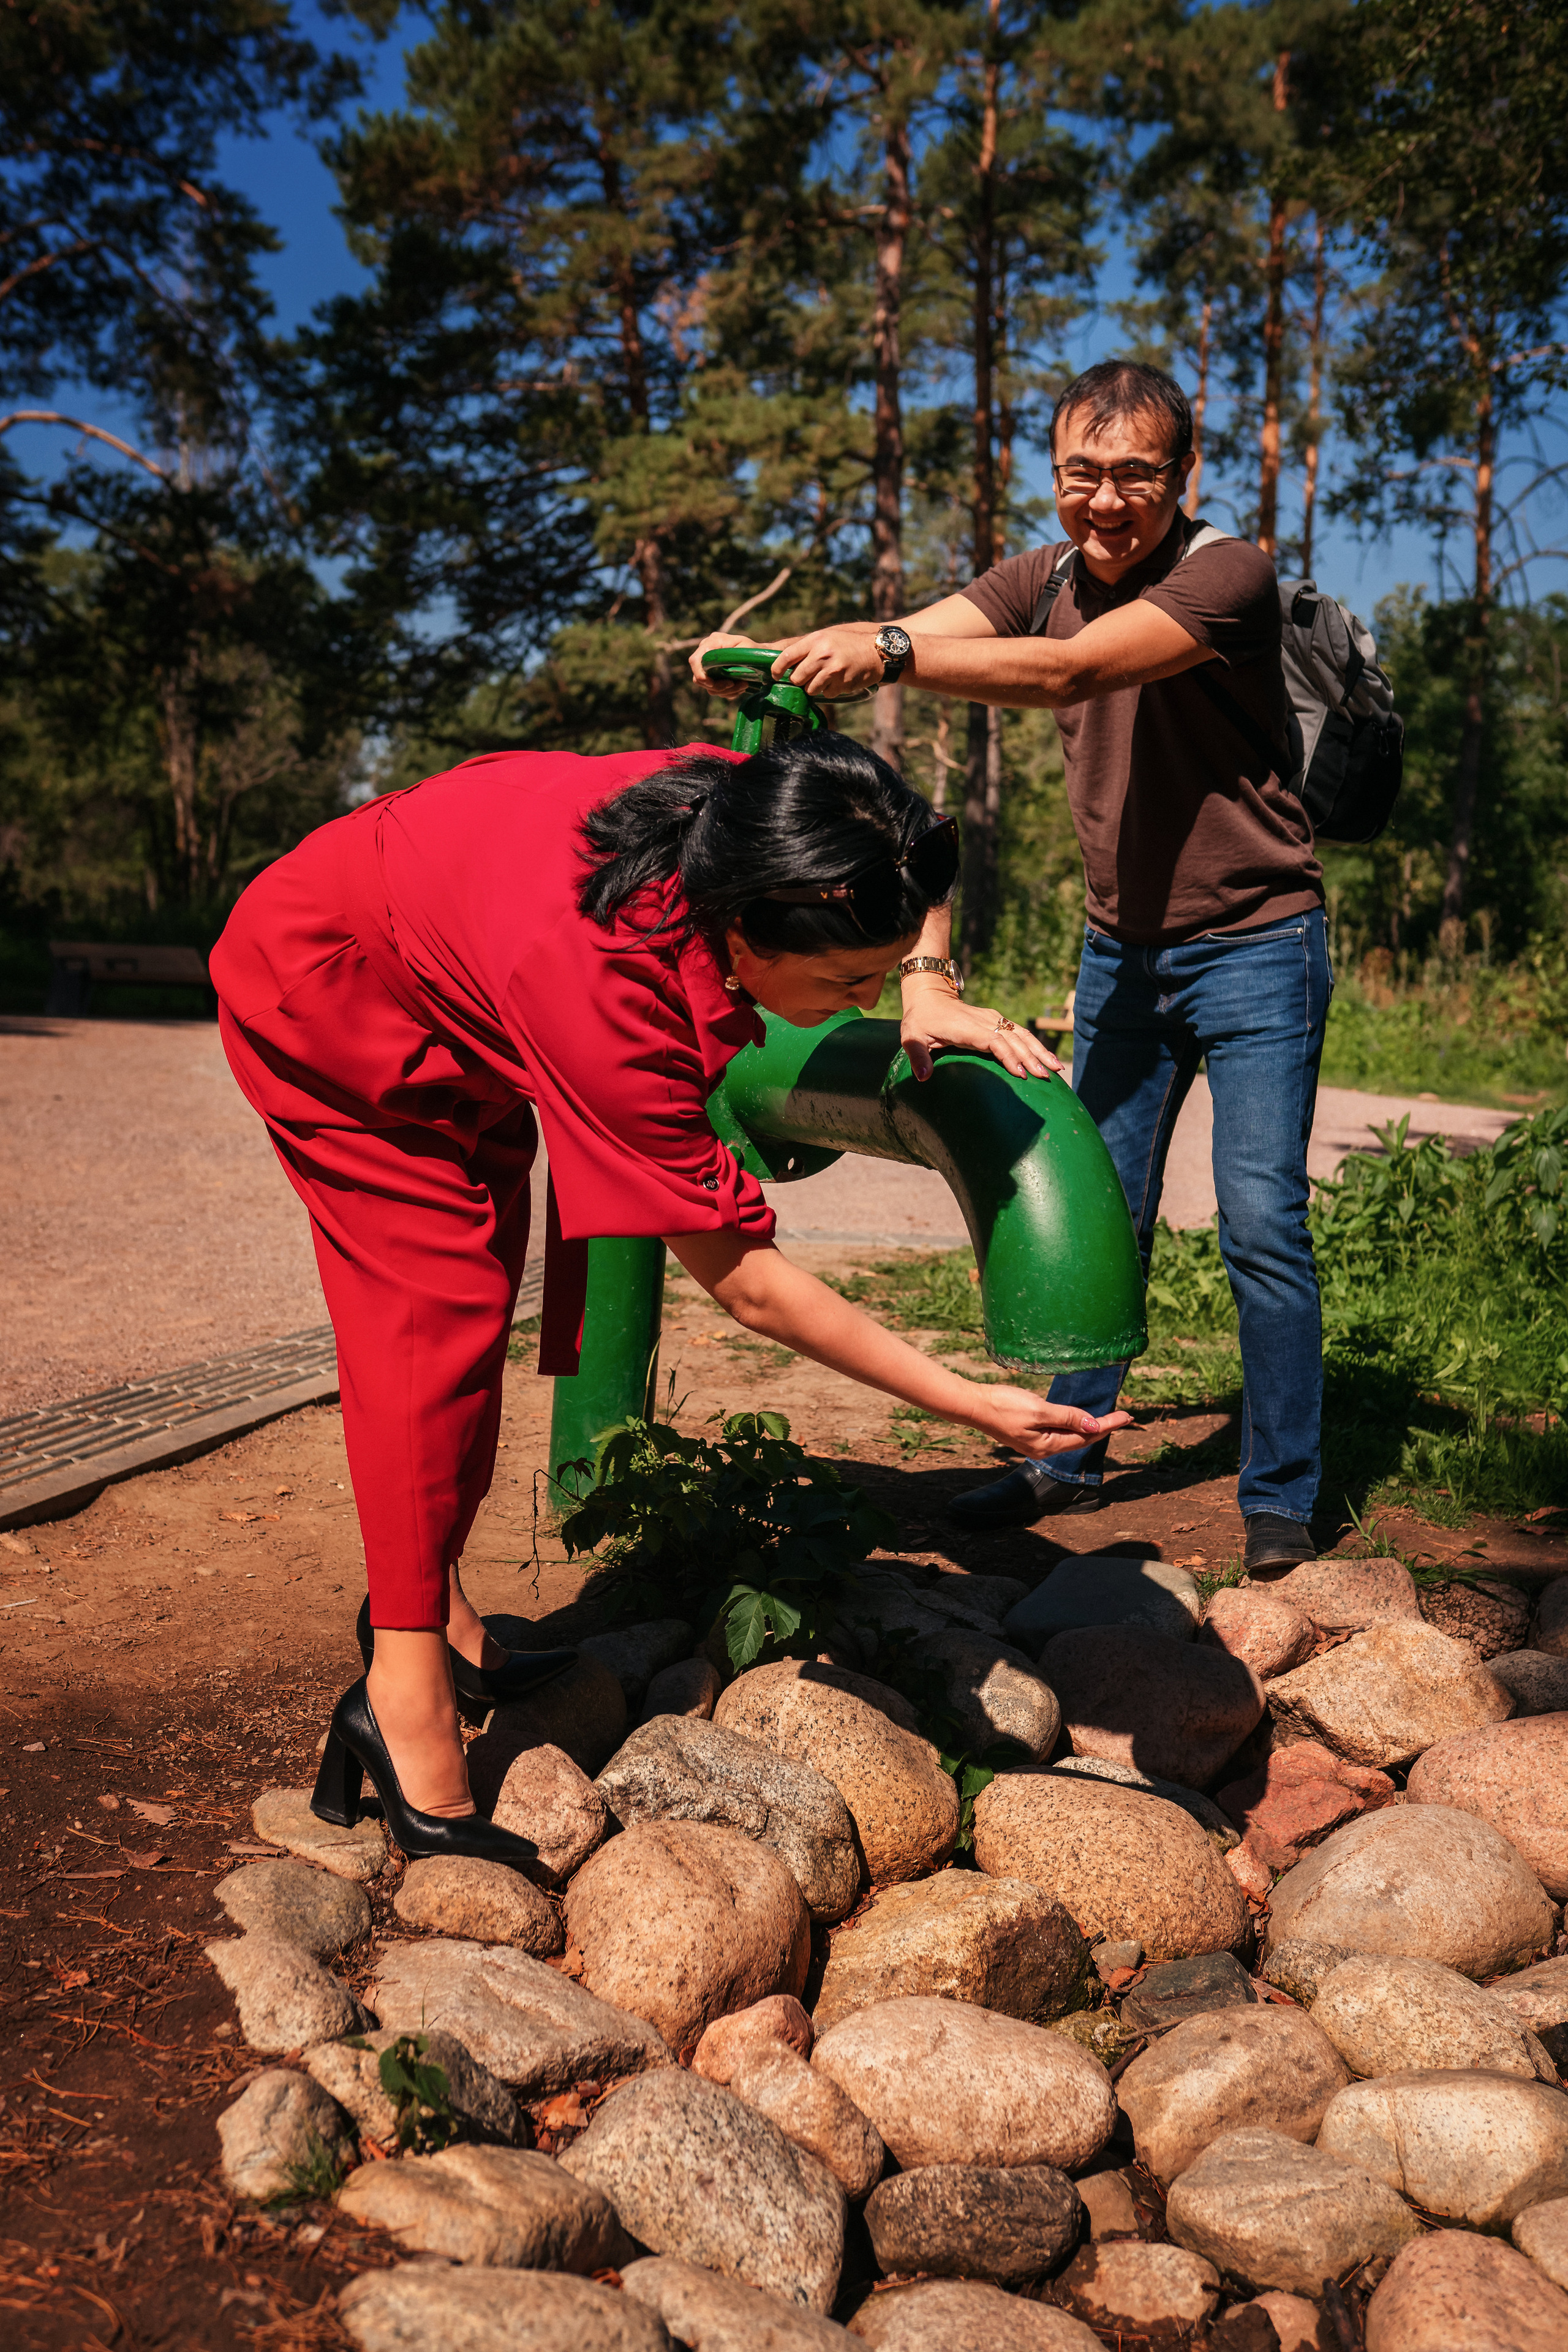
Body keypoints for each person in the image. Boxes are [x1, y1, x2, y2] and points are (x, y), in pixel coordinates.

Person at [210, 732, 1130, 1863]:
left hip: (458, 964)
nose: (865, 1002)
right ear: (743, 926)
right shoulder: (607, 989)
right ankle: (400, 1701)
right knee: (430, 1316)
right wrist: (971, 1404)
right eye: (847, 983)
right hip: (334, 993)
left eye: (877, 976)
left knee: (479, 1290)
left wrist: (926, 984)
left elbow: (918, 841)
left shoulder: (775, 813)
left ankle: (439, 1612)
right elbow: (744, 1280)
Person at [693, 359, 1330, 1574]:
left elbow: (1067, 672)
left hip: (1258, 943)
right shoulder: (1036, 577)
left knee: (1260, 1223)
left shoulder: (1224, 574)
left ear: (1178, 476)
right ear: (1052, 476)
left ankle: (1280, 1495)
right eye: (1080, 475)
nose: (1104, 502)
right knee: (1098, 1204)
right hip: (1122, 955)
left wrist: (877, 651)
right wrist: (777, 655)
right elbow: (914, 635)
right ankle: (1065, 1454)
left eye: (1132, 476)